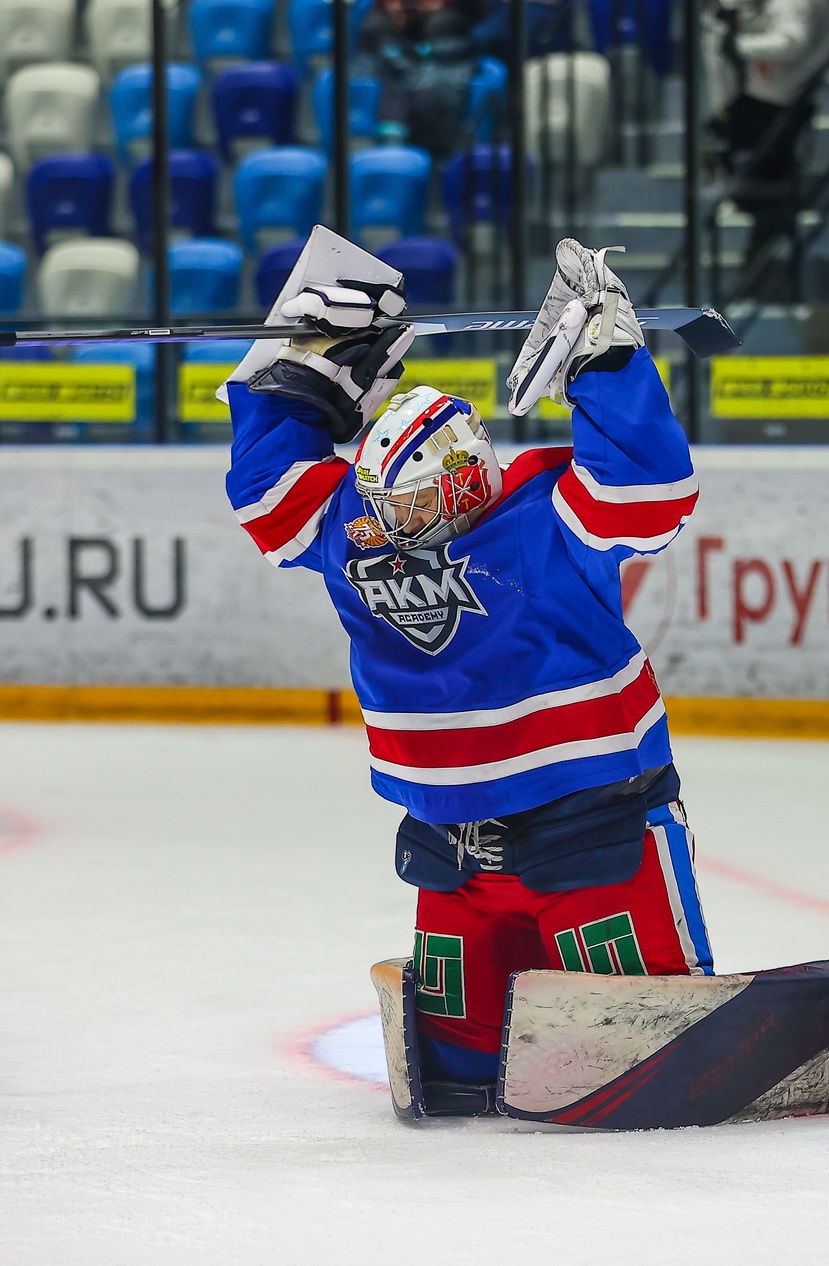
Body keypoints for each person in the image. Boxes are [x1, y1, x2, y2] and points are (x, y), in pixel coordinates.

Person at [224, 239, 713, 1116]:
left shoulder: (543, 516)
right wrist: (301, 365)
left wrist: (607, 362)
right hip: (453, 848)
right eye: (384, 507)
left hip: (591, 826)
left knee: (636, 1054)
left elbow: (650, 494)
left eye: (412, 507)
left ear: (462, 479)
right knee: (454, 1075)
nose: (393, 528)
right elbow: (268, 491)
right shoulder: (359, 521)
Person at [704, 0, 829, 288]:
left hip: (777, 101)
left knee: (764, 188)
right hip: (766, 98)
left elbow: (791, 42)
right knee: (725, 152)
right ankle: (757, 275)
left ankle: (761, 279)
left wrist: (739, 46)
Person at [356, 0, 489, 158]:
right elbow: (363, 71)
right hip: (398, 99)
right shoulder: (377, 28)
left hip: (438, 112)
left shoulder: (447, 24)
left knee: (425, 94)